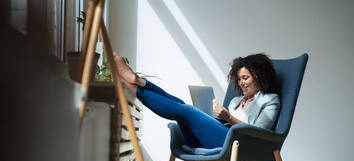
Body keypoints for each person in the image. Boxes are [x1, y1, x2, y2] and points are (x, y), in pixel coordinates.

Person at [113, 52, 280, 150]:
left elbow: (258, 133)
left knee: (187, 111)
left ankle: (135, 88)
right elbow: (224, 123)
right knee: (183, 106)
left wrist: (229, 118)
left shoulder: (270, 100)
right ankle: (138, 82)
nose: (241, 83)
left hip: (238, 146)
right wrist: (217, 117)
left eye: (245, 78)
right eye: (239, 79)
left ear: (259, 76)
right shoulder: (236, 101)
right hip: (218, 136)